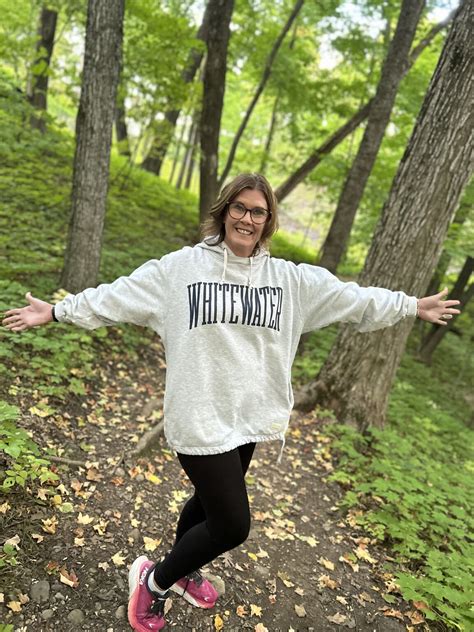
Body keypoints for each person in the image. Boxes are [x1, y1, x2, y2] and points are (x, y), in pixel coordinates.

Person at [2, 173, 461, 632]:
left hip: (248, 417)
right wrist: (58, 311)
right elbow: (117, 296)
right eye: (239, 207)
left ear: (268, 220)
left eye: (258, 211)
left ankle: (184, 569)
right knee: (232, 525)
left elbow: (353, 298)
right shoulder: (180, 270)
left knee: (208, 502)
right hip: (199, 415)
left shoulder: (289, 280)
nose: (247, 218)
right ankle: (154, 581)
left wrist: (410, 306)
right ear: (224, 212)